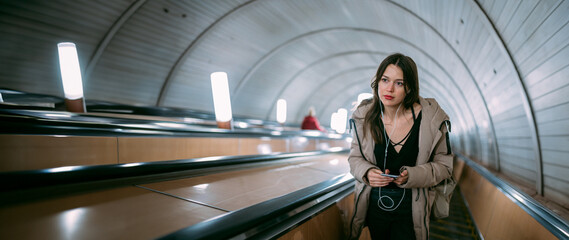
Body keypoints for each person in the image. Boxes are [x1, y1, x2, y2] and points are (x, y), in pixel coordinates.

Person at [348, 53, 453, 240]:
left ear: (410, 87)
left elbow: (445, 166)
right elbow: (355, 158)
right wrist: (367, 172)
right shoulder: (364, 118)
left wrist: (412, 176)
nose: (389, 89)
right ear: (377, 82)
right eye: (385, 80)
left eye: (399, 83)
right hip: (374, 205)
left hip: (413, 207)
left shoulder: (431, 120)